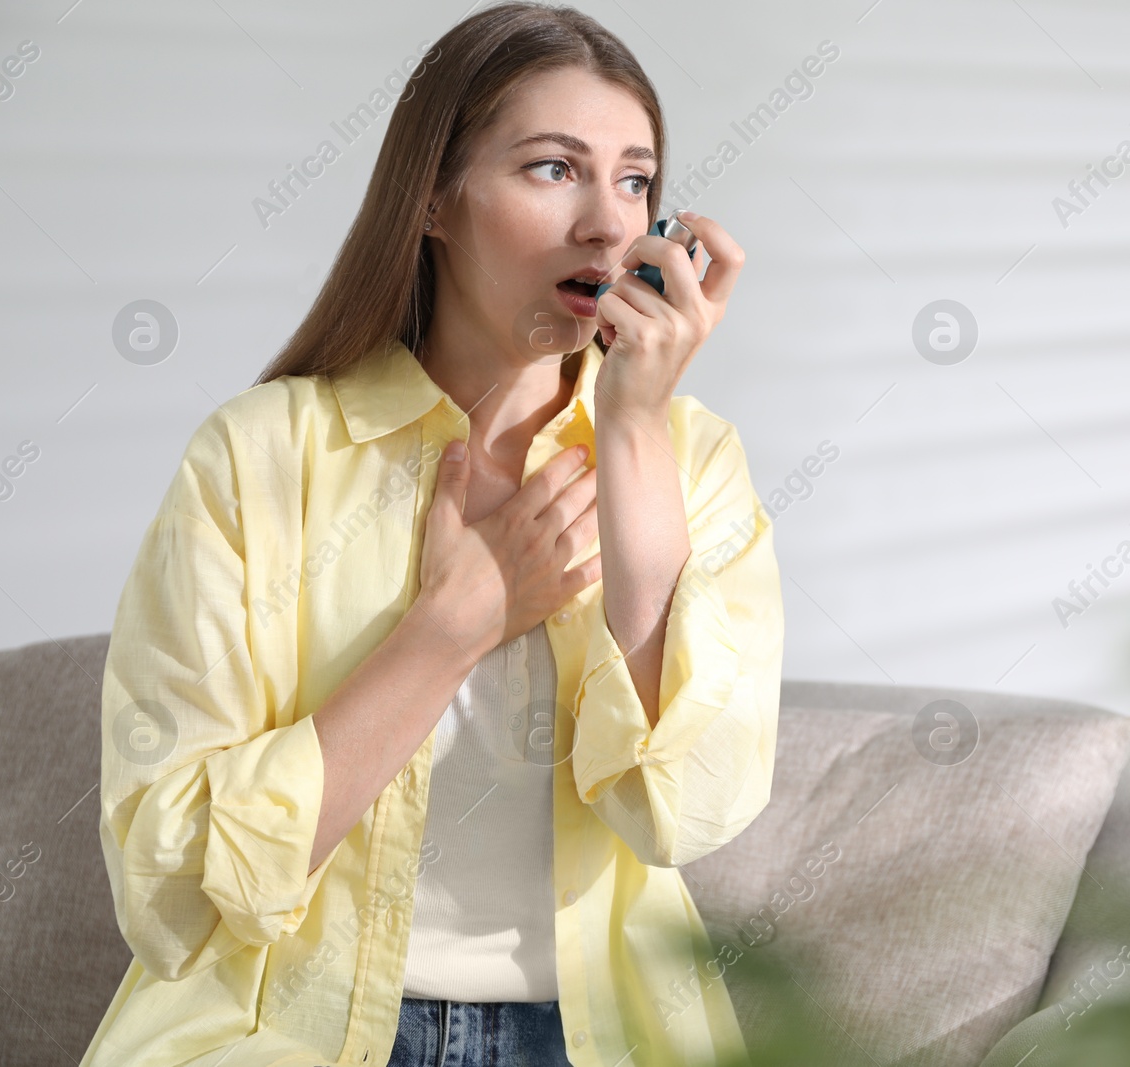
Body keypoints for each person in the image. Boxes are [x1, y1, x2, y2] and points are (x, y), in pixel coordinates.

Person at [80, 4, 785, 1066]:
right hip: (281, 1031)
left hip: (602, 1037)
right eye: (554, 170)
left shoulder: (691, 459)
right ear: (436, 202)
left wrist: (633, 427)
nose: (606, 223)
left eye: (634, 180)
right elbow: (168, 881)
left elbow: (678, 811)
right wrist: (450, 628)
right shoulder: (259, 456)